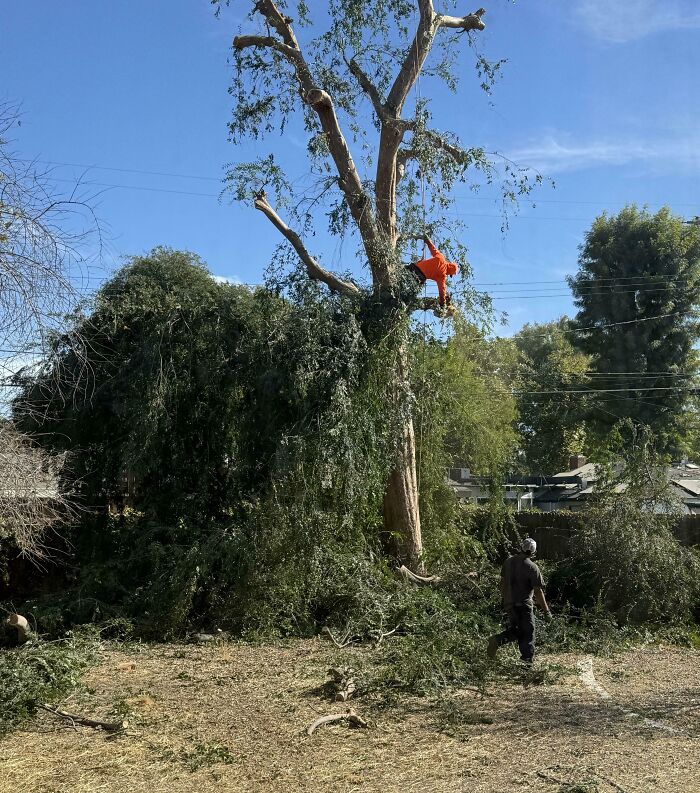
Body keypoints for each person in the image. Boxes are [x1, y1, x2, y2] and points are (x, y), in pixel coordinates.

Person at [487, 537, 552, 664]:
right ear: (533, 552)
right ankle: (526, 663)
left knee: (517, 631)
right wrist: (546, 611)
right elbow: (538, 592)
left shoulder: (508, 562)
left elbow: (502, 584)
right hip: (524, 606)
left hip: (510, 605)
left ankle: (496, 640)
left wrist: (505, 601)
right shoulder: (533, 567)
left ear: (521, 547)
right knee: (528, 633)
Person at [405, 234, 458, 308]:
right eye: (450, 274)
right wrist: (443, 303)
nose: (449, 275)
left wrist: (427, 240)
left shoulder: (441, 258)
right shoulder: (442, 276)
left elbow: (433, 248)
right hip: (419, 278)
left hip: (413, 267)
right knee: (408, 296)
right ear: (450, 272)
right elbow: (442, 290)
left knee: (399, 271)